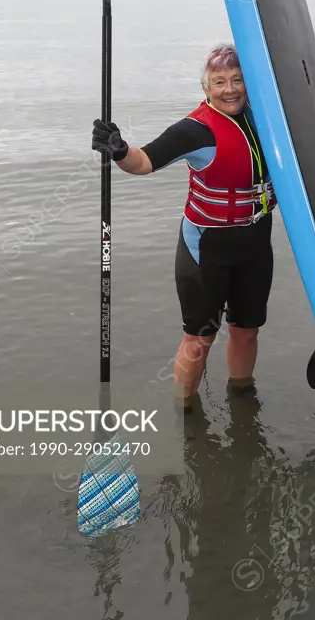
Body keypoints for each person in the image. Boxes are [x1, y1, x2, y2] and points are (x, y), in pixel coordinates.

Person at [91, 43, 277, 410]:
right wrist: (118, 150)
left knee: (247, 330)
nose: (230, 89)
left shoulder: (265, 120)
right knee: (199, 337)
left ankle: (241, 399)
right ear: (206, 88)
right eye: (219, 81)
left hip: (256, 243)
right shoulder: (195, 130)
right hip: (206, 248)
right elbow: (143, 162)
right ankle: (186, 414)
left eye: (237, 80)